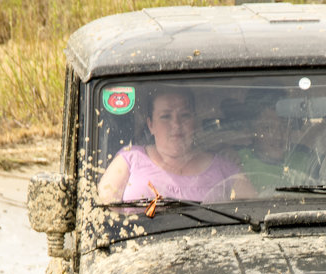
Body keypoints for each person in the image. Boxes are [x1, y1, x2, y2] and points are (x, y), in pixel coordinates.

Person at [98, 87, 254, 205]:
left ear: (195, 120)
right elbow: (103, 215)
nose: (176, 124)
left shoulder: (225, 168)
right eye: (165, 116)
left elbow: (252, 214)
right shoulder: (129, 160)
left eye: (184, 115)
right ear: (151, 124)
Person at [233, 90, 314, 192]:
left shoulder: (306, 161)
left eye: (284, 126)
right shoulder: (238, 162)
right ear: (251, 131)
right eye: (267, 128)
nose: (278, 135)